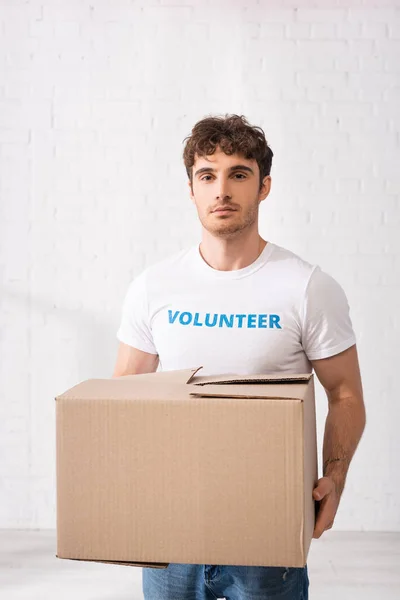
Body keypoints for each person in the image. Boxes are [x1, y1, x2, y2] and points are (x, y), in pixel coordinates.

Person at [113, 114, 366, 600]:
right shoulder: (153, 288)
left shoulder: (308, 287)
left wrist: (333, 478)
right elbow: (123, 395)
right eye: (207, 175)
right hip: (172, 526)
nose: (221, 189)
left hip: (267, 530)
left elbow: (346, 393)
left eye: (238, 174)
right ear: (191, 189)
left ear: (264, 186)